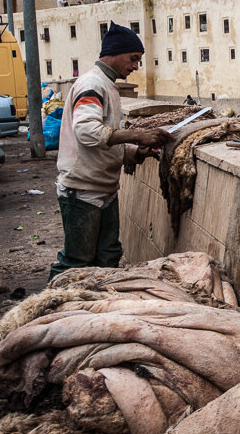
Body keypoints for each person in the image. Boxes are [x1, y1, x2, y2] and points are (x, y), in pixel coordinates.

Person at [52, 21, 173, 279]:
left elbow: (105, 142)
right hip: (83, 191)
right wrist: (139, 135)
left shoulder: (107, 86)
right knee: (76, 262)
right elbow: (86, 131)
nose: (135, 66)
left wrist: (134, 152)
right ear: (115, 53)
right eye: (133, 58)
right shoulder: (92, 85)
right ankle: (52, 312)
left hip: (103, 189)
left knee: (107, 256)